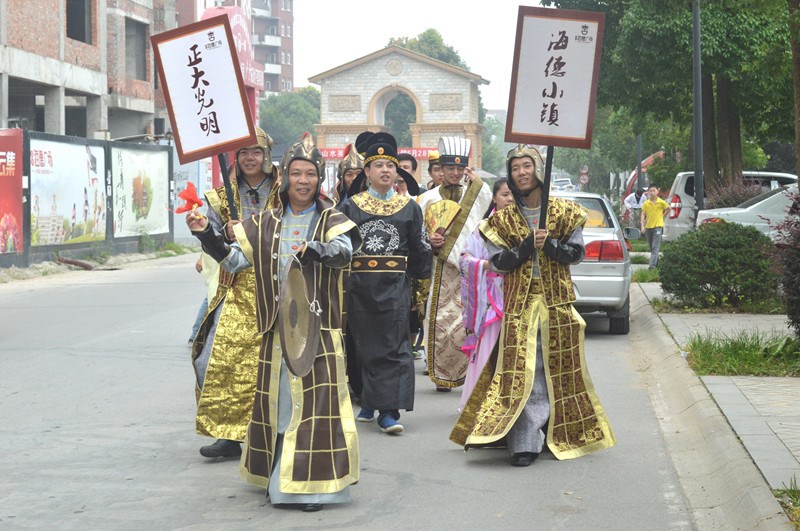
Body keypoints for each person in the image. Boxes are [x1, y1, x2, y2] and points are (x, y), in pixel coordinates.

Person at [187, 133, 361, 511]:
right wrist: (206, 235)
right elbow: (234, 261)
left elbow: (344, 254)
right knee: (280, 408)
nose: (303, 181)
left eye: (310, 174)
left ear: (319, 180)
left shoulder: (333, 219)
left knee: (317, 409)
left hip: (319, 331)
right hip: (275, 330)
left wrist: (318, 249)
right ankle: (280, 476)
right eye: (296, 173)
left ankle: (315, 487)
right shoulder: (264, 222)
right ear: (285, 179)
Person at [450, 145, 616, 467]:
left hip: (557, 303)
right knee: (522, 372)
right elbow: (496, 263)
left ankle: (560, 434)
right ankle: (523, 442)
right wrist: (526, 246)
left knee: (559, 370)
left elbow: (577, 253)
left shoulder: (565, 211)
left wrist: (551, 246)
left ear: (539, 170)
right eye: (515, 168)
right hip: (518, 305)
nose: (521, 173)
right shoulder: (503, 220)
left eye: (527, 166)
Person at [190, 126, 281, 459]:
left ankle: (276, 433)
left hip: (278, 286)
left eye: (256, 151)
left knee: (274, 364)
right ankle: (227, 435)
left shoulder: (285, 191)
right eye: (243, 152)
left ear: (267, 155)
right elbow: (216, 248)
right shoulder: (218, 197)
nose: (250, 158)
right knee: (212, 359)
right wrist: (214, 234)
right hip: (234, 287)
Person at [338, 132, 431, 434]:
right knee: (363, 346)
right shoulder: (351, 207)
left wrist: (420, 289)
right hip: (360, 289)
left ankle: (388, 411)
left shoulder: (409, 207)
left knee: (394, 348)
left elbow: (419, 250)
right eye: (377, 165)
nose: (385, 171)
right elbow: (340, 249)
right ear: (366, 172)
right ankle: (368, 397)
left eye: (390, 166)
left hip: (395, 288)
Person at [416, 137, 493, 392]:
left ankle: (468, 372)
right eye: (451, 168)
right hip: (439, 266)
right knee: (439, 322)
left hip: (468, 266)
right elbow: (418, 236)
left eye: (460, 169)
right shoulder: (426, 199)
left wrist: (477, 184)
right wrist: (431, 240)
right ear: (441, 168)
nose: (456, 173)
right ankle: (441, 372)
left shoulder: (476, 193)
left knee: (467, 321)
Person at [458, 178, 514, 411]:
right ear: (494, 197)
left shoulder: (524, 226)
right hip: (491, 298)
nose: (509, 199)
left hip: (517, 294)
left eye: (513, 195)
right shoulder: (484, 227)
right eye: (504, 194)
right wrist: (485, 266)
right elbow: (464, 259)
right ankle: (481, 406)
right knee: (490, 348)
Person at [640, 185, 671, 268]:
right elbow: (643, 214)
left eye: (654, 190)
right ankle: (657, 264)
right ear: (648, 192)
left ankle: (652, 266)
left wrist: (663, 216)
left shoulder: (661, 202)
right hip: (648, 227)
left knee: (655, 247)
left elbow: (669, 208)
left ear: (658, 191)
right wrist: (642, 226)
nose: (652, 192)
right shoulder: (646, 203)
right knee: (651, 247)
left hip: (658, 226)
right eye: (650, 191)